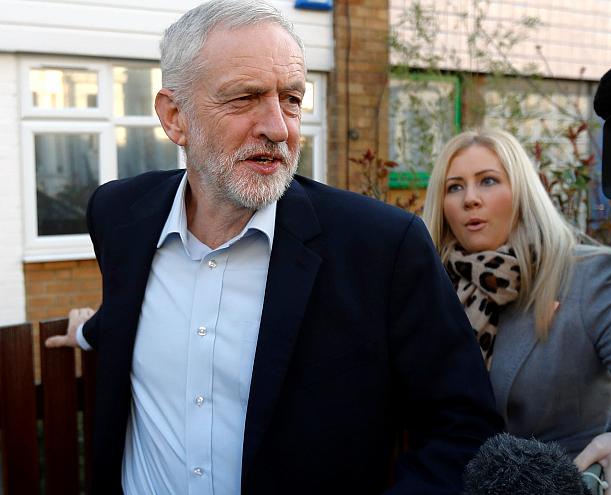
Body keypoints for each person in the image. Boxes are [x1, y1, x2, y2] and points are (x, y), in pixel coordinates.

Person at [43, 1, 502, 493]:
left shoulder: (382, 248)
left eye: (291, 99)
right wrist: (92, 330)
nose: (279, 128)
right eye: (245, 98)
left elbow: (464, 432)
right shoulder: (119, 214)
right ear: (175, 117)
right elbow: (136, 310)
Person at [421, 129, 611, 495]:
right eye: (454, 187)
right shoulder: (431, 290)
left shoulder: (590, 276)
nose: (471, 199)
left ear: (523, 192)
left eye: (488, 181)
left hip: (581, 485)